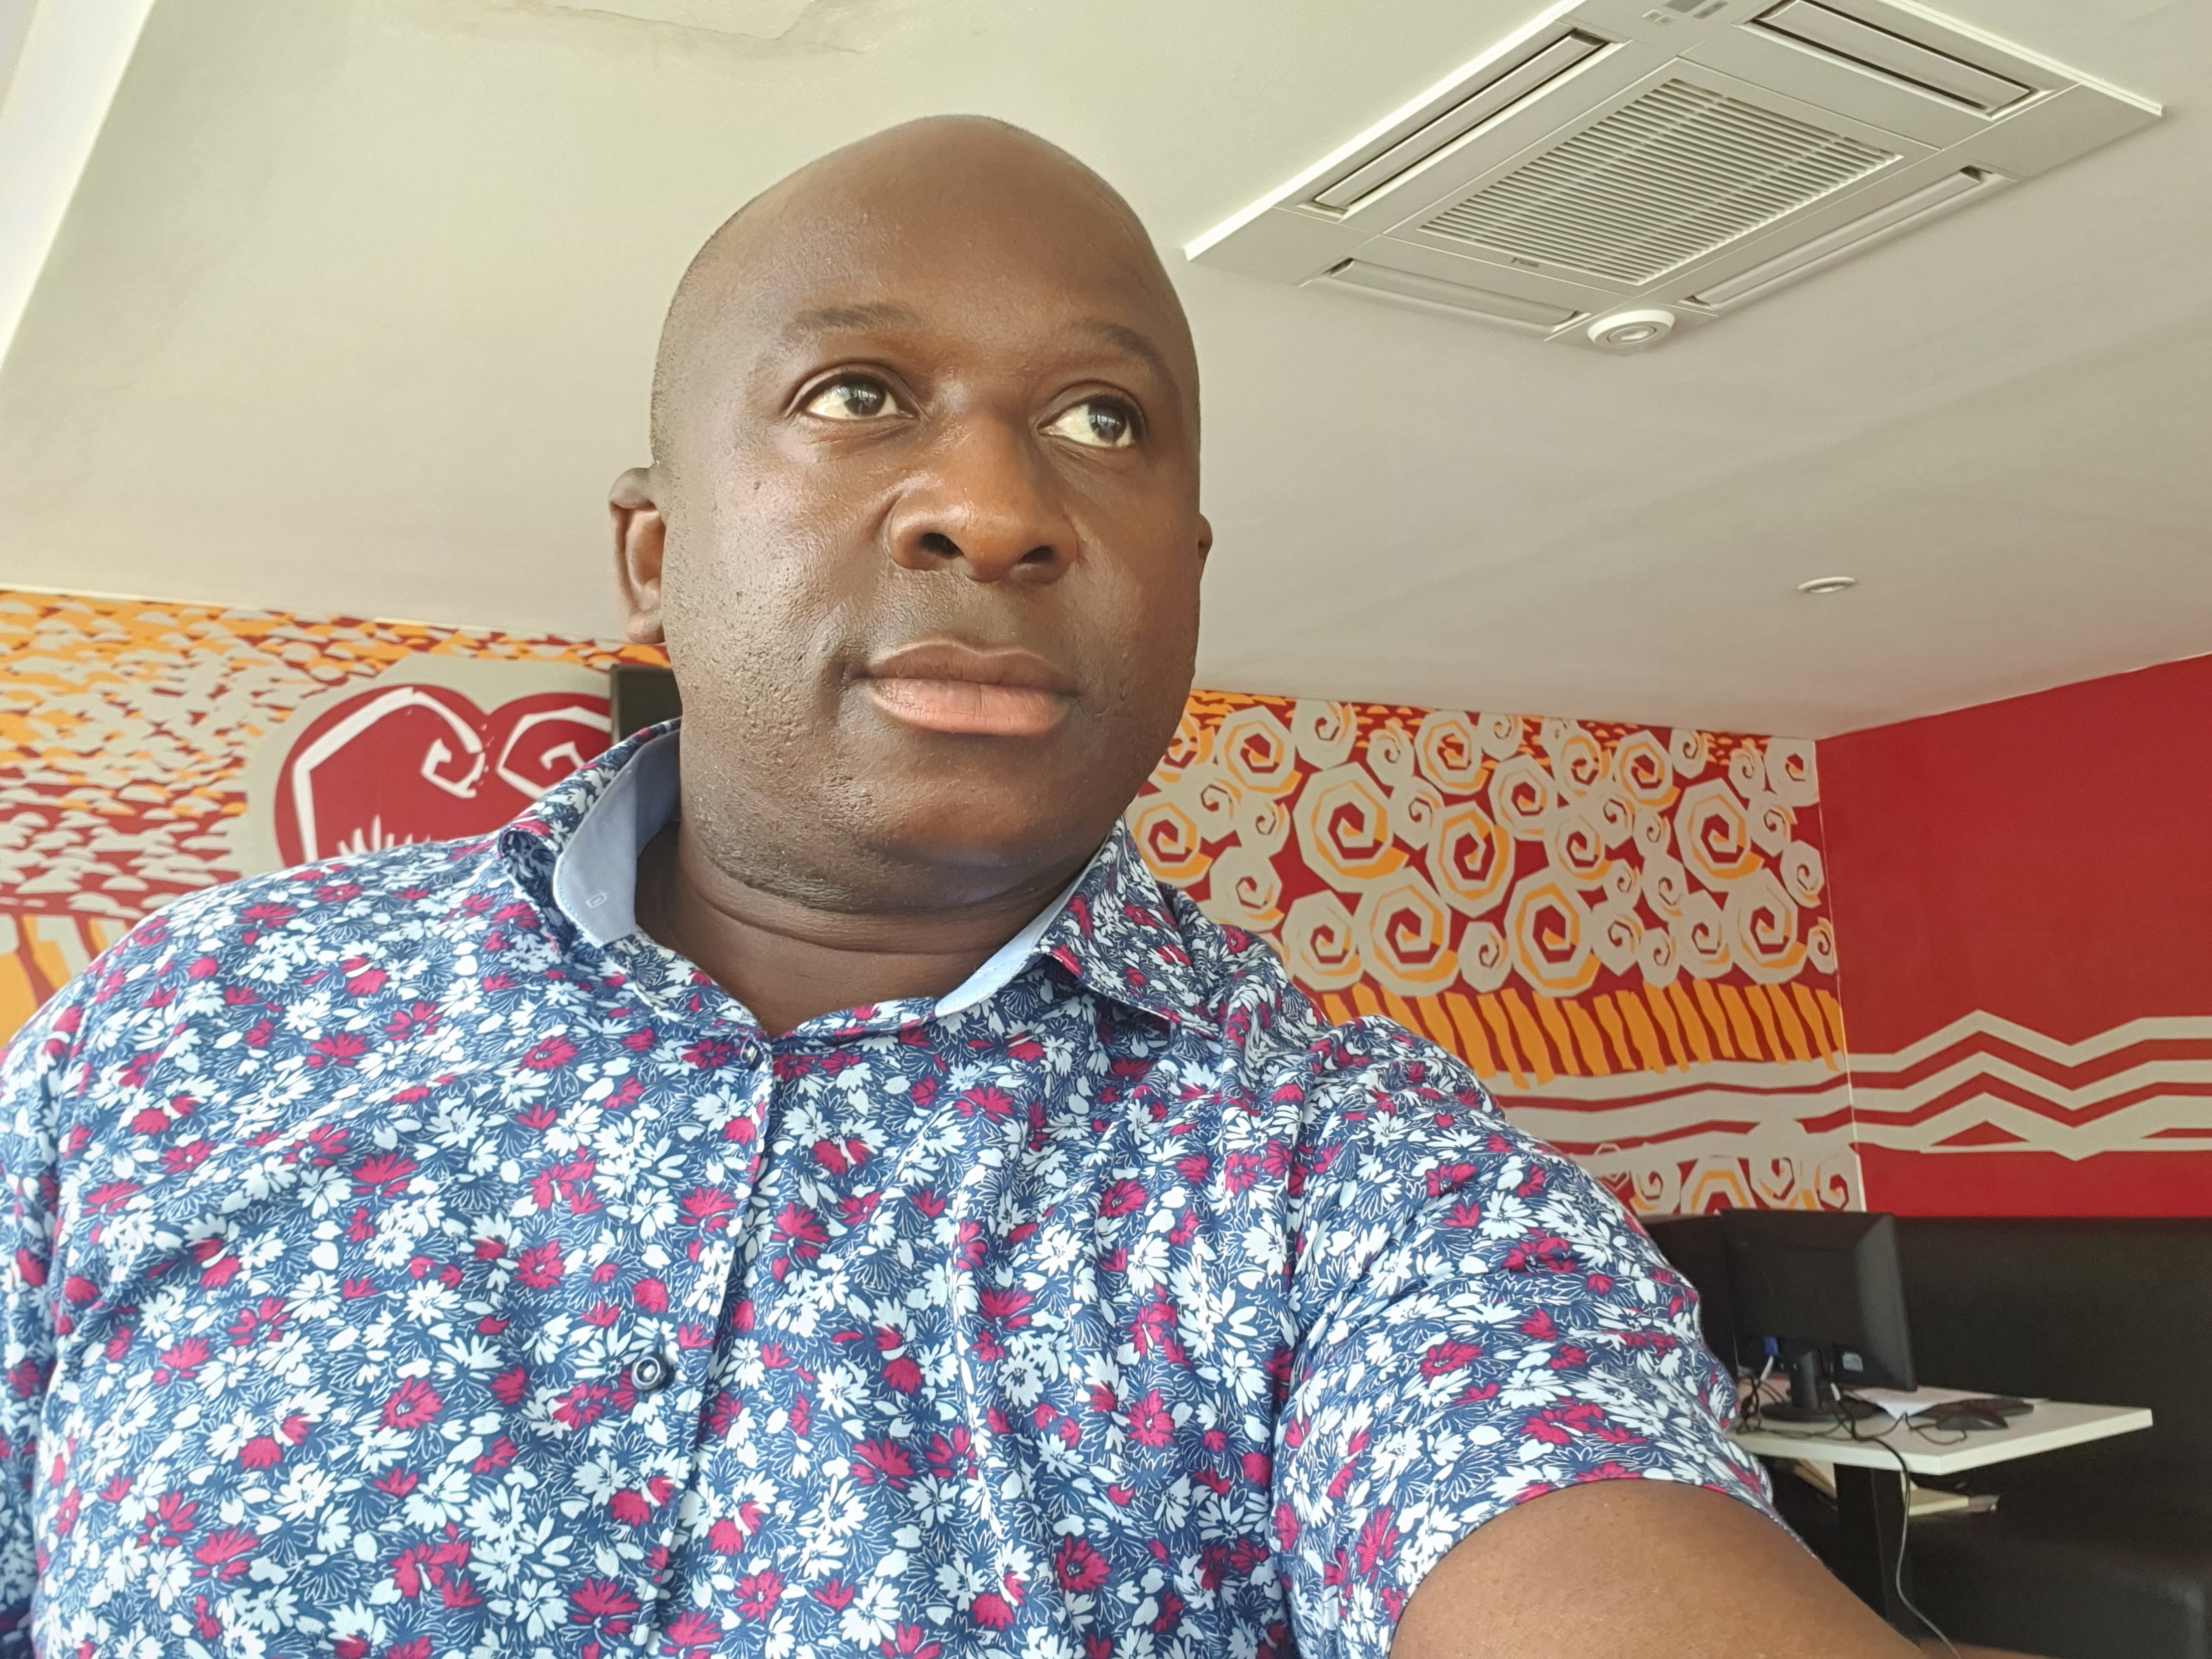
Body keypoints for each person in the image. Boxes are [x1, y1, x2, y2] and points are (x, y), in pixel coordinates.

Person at [0, 117, 1912, 1658]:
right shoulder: (182, 1028)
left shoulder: (1357, 1173)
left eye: (1101, 421)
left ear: (1184, 576)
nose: (996, 507)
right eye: (855, 392)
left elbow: (1575, 1521)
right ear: (653, 557)